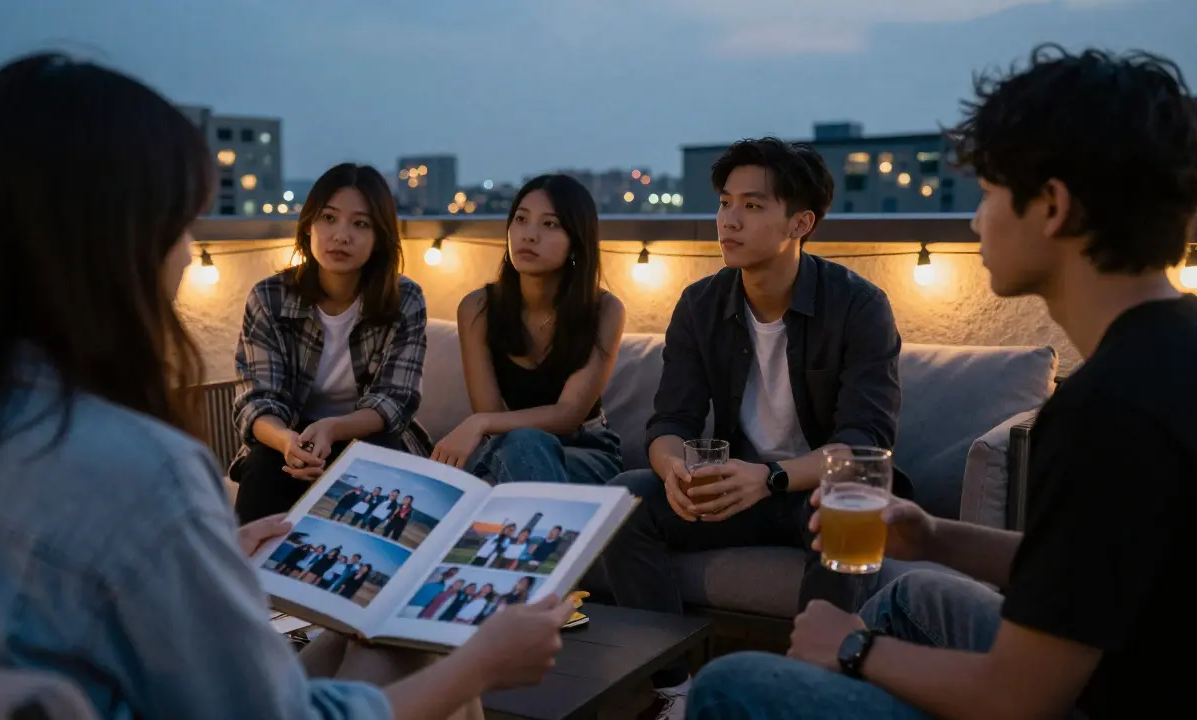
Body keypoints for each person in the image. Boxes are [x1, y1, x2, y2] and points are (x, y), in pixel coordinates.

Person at [0, 52, 578, 720]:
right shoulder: (148, 474)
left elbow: (394, 403)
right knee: (410, 649)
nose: (188, 252)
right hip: (275, 471)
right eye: (182, 225)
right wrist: (481, 663)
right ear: (118, 242)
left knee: (366, 630)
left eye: (360, 223)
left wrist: (210, 565)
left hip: (365, 449)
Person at [686, 46, 1197, 720]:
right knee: (919, 594)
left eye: (989, 194)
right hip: (1133, 663)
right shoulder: (1189, 345)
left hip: (1096, 703)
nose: (975, 219)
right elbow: (1090, 565)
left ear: (1052, 207)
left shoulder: (1106, 410)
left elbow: (1017, 698)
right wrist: (935, 536)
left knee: (729, 684)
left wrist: (851, 647)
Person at [599, 136, 907, 718]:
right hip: (735, 488)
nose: (729, 220)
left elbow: (866, 442)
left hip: (808, 487)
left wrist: (770, 478)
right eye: (724, 203)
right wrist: (674, 470)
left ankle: (805, 697)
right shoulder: (700, 304)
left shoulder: (859, 306)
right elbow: (670, 421)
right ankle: (673, 692)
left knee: (845, 505)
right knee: (624, 497)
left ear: (800, 223)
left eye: (752, 205)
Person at [231, 162, 432, 523]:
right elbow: (258, 400)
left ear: (380, 237)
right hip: (289, 434)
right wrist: (288, 442)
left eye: (361, 224)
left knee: (381, 464)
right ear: (308, 224)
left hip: (369, 434)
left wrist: (332, 429)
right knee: (264, 465)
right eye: (328, 218)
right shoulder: (269, 297)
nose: (341, 235)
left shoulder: (405, 299)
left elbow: (394, 400)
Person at [430, 175, 627, 485]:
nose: (529, 235)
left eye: (550, 224)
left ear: (576, 241)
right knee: (512, 449)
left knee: (518, 448)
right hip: (508, 451)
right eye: (521, 219)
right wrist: (484, 423)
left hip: (585, 452)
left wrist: (479, 423)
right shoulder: (477, 308)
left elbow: (568, 415)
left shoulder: (604, 309)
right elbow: (489, 411)